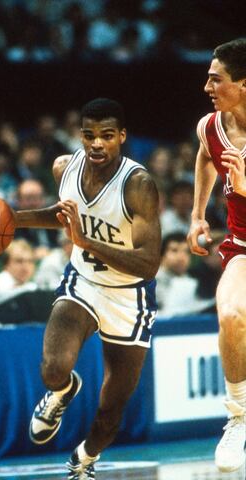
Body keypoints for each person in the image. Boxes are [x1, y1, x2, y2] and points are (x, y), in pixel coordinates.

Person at [11, 98, 161, 478]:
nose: (97, 144)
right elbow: (60, 213)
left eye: (107, 136)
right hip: (83, 282)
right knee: (52, 368)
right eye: (90, 136)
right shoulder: (65, 167)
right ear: (80, 136)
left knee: (111, 410)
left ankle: (85, 459)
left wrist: (87, 240)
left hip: (130, 296)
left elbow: (148, 263)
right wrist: (10, 219)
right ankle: (62, 391)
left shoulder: (138, 185)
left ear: (122, 137)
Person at [187, 38, 246, 473]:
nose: (208, 85)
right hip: (242, 246)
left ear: (243, 85)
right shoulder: (210, 126)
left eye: (216, 78)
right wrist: (197, 215)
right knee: (231, 316)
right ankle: (239, 418)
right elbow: (206, 157)